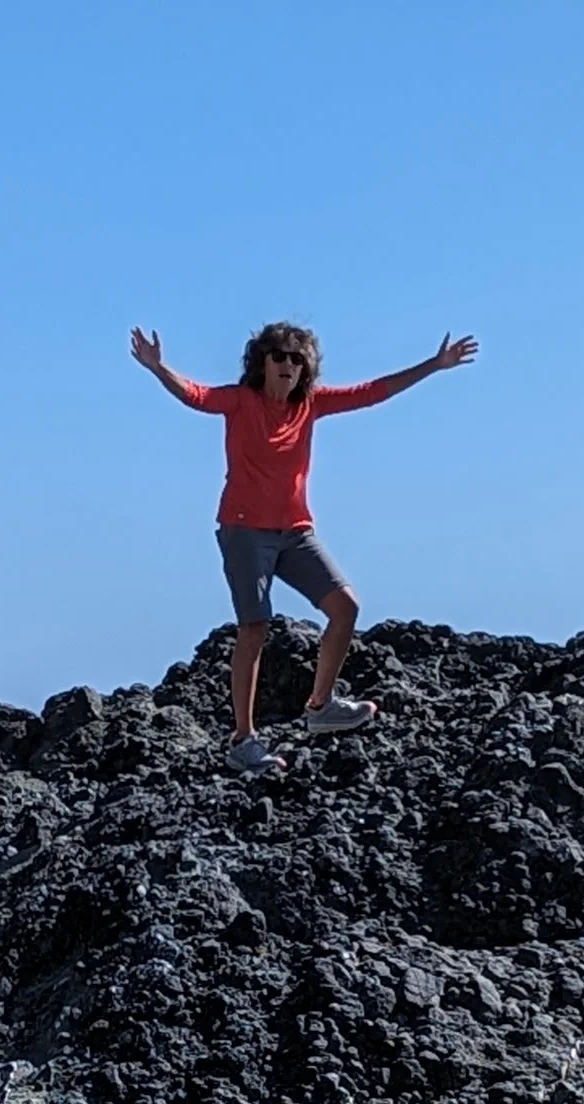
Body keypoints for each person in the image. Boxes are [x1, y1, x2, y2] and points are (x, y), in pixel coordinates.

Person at [131, 320, 477, 770]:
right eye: (279, 356)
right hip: (244, 531)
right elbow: (196, 395)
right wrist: (158, 368)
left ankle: (321, 707)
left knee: (345, 607)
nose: (288, 365)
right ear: (262, 362)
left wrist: (434, 364)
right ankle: (243, 741)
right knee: (255, 627)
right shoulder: (241, 401)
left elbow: (373, 391)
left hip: (295, 532)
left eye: (297, 359)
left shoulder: (311, 404)